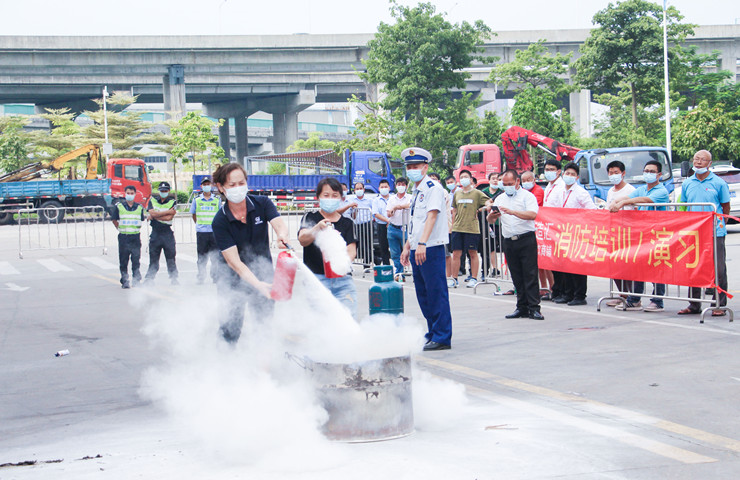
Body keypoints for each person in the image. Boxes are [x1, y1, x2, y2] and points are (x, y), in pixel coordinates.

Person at [211, 162, 289, 343]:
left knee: (264, 328)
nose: (238, 188)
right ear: (221, 187)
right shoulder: (220, 221)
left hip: (265, 276)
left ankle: (262, 369)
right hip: (231, 281)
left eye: (241, 183)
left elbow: (279, 224)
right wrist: (257, 284)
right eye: (232, 185)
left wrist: (282, 236)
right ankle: (222, 365)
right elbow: (234, 262)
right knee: (230, 330)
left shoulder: (262, 203)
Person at [400, 147, 452, 351]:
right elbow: (415, 223)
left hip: (430, 248)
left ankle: (442, 336)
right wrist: (408, 246)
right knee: (423, 294)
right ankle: (432, 332)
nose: (412, 170)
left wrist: (421, 244)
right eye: (409, 167)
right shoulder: (416, 190)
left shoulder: (434, 188)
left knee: (436, 292)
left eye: (416, 166)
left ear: (425, 167)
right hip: (417, 247)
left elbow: (431, 217)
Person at [609, 158, 670, 312]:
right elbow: (628, 197)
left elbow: (644, 200)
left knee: (656, 267)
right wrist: (616, 202)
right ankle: (634, 299)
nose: (648, 174)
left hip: (657, 234)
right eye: (646, 171)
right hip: (642, 234)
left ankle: (658, 300)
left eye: (652, 171)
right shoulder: (642, 188)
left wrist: (622, 204)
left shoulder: (661, 191)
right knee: (639, 265)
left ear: (659, 175)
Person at [486, 170, 544, 320]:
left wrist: (513, 212)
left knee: (530, 274)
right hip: (509, 240)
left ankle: (534, 308)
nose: (507, 187)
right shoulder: (500, 198)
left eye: (510, 184)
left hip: (526, 239)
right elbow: (490, 220)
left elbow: (532, 214)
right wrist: (492, 216)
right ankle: (521, 307)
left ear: (518, 182)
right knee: (516, 275)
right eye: (504, 184)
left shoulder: (527, 196)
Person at [678, 149, 730, 317]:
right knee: (693, 267)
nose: (698, 162)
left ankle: (719, 304)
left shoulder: (719, 183)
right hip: (695, 232)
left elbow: (725, 207)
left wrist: (720, 225)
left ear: (710, 164)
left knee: (718, 269)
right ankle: (694, 304)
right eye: (696, 159)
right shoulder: (687, 183)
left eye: (702, 160)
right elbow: (684, 205)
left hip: (715, 231)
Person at [298, 177, 358, 317]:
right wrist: (316, 229)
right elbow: (302, 239)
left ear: (340, 198)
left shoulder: (347, 223)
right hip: (317, 279)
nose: (330, 198)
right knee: (319, 323)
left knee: (347, 320)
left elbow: (351, 251)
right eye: (326, 195)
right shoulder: (310, 218)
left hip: (343, 280)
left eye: (334, 195)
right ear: (318, 197)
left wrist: (339, 266)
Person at [553, 163, 595, 306]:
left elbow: (591, 210)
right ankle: (567, 293)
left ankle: (580, 295)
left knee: (577, 266)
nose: (569, 176)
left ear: (577, 177)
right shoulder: (560, 191)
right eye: (567, 173)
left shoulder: (581, 193)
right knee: (565, 265)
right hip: (562, 232)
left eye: (572, 174)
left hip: (577, 233)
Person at [450, 169, 489, 288]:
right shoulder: (457, 193)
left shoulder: (477, 193)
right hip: (458, 227)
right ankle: (454, 278)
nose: (463, 179)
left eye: (466, 177)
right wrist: (452, 225)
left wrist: (483, 209)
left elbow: (489, 202)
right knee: (456, 254)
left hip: (472, 228)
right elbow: (454, 209)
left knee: (473, 253)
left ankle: (474, 278)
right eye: (461, 177)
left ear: (471, 179)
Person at [604, 160, 636, 306]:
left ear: (623, 173)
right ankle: (622, 294)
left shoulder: (630, 190)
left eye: (616, 173)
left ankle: (632, 296)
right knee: (615, 265)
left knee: (628, 266)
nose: (613, 175)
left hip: (628, 232)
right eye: (611, 173)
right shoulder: (611, 191)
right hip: (613, 232)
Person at [144, 182, 179, 285]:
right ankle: (149, 279)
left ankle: (174, 278)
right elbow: (153, 213)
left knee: (171, 258)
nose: (163, 192)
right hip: (155, 233)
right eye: (162, 190)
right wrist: (167, 212)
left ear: (168, 191)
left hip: (167, 233)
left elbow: (169, 218)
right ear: (159, 191)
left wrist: (155, 216)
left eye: (165, 190)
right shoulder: (152, 200)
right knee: (154, 258)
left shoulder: (172, 202)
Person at [111, 185, 145, 289]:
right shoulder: (119, 206)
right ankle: (125, 280)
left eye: (132, 193)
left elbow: (141, 220)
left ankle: (136, 280)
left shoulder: (139, 207)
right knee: (124, 260)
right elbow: (114, 220)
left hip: (135, 236)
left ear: (135, 194)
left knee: (136, 260)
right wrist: (120, 228)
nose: (130, 195)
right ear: (125, 194)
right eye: (128, 193)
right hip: (124, 237)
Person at [189, 176, 221, 284]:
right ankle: (201, 277)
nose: (207, 186)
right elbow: (193, 214)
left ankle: (215, 277)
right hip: (202, 232)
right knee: (202, 256)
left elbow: (220, 215)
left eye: (208, 184)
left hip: (214, 232)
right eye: (205, 184)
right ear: (201, 186)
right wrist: (199, 224)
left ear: (211, 186)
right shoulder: (196, 200)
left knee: (215, 257)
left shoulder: (217, 200)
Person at [542, 160, 565, 301]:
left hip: (560, 228)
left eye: (552, 169)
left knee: (561, 263)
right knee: (554, 262)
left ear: (558, 171)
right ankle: (556, 289)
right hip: (550, 228)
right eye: (546, 169)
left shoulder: (561, 186)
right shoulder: (549, 186)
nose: (548, 171)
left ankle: (563, 291)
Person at [386, 176, 411, 280]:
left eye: (403, 184)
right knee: (395, 252)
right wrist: (392, 211)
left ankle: (410, 269)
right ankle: (399, 272)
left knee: (407, 251)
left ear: (406, 186)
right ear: (396, 186)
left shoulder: (410, 197)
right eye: (399, 184)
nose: (401, 186)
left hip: (405, 228)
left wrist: (397, 207)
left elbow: (410, 205)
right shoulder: (391, 198)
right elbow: (388, 213)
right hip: (393, 228)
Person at [349, 182, 374, 265]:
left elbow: (373, 212)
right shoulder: (352, 201)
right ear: (354, 190)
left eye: (360, 188)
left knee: (368, 244)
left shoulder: (369, 200)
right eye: (357, 189)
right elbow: (352, 215)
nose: (359, 190)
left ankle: (366, 263)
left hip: (367, 224)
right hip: (357, 224)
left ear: (364, 189)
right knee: (361, 245)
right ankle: (376, 259)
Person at [372, 179, 392, 266]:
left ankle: (400, 268)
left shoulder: (393, 198)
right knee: (383, 247)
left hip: (393, 225)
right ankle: (386, 266)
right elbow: (376, 214)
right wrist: (387, 220)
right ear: (379, 188)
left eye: (386, 187)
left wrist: (391, 221)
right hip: (382, 225)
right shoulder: (376, 200)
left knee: (396, 248)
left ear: (389, 187)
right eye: (382, 187)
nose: (384, 188)